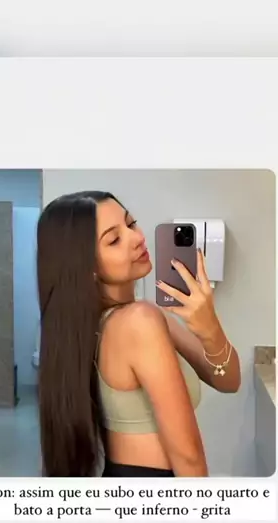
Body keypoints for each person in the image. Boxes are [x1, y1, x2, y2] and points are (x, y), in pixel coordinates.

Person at [37, 190, 241, 478]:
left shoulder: (107, 323)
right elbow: (188, 456)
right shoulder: (139, 322)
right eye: (114, 240)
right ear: (87, 266)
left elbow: (228, 380)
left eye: (131, 223)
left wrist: (210, 329)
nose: (136, 238)